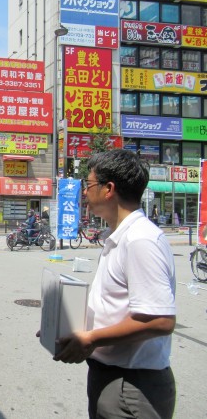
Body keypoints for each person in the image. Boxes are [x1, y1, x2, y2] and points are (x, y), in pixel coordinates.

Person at [53, 150, 176, 419]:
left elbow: (160, 320)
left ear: (109, 189)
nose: (85, 193)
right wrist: (66, 328)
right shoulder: (120, 236)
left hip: (131, 385)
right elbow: (116, 305)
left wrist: (92, 338)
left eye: (89, 184)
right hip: (113, 377)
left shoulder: (140, 240)